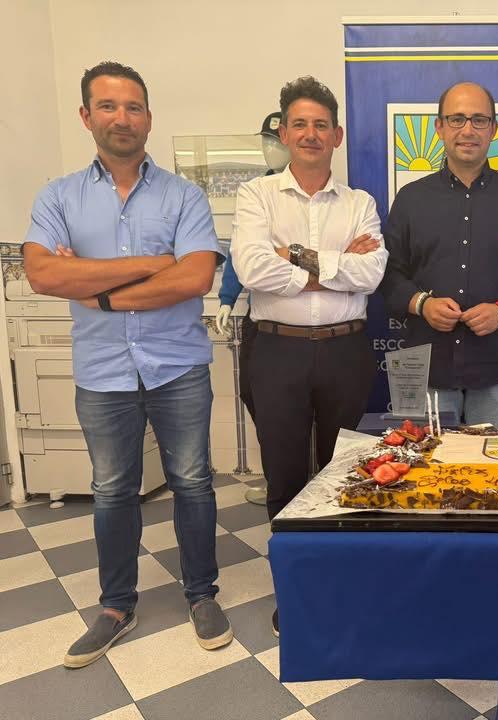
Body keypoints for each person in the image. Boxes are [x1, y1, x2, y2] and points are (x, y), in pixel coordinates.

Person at [23, 61, 232, 668]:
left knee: (192, 482)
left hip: (177, 367)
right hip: (103, 369)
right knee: (112, 490)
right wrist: (150, 263)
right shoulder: (59, 196)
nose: (122, 118)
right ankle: (116, 606)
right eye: (108, 106)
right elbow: (42, 274)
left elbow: (194, 277)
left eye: (133, 107)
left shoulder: (182, 195)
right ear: (86, 116)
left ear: (148, 118)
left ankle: (202, 594)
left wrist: (94, 285)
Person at [231, 77, 385, 636]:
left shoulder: (360, 203)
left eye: (322, 124)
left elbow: (372, 273)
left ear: (337, 135)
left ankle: (337, 582)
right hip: (277, 350)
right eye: (300, 124)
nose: (311, 134)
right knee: (286, 474)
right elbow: (252, 268)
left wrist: (291, 256)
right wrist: (335, 263)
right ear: (284, 133)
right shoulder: (257, 195)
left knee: (343, 471)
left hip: (345, 350)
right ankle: (296, 590)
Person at [380, 82, 498, 428]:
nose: (468, 130)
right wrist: (422, 304)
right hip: (425, 365)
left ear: (494, 129)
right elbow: (388, 275)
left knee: (491, 462)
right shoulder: (410, 199)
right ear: (439, 127)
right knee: (421, 461)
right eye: (457, 119)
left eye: (479, 120)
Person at [215, 111, 290, 421]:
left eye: (277, 142)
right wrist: (227, 299)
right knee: (251, 390)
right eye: (266, 142)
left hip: (302, 311)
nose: (270, 149)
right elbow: (241, 252)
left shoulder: (317, 192)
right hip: (260, 310)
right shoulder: (254, 193)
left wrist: (277, 255)